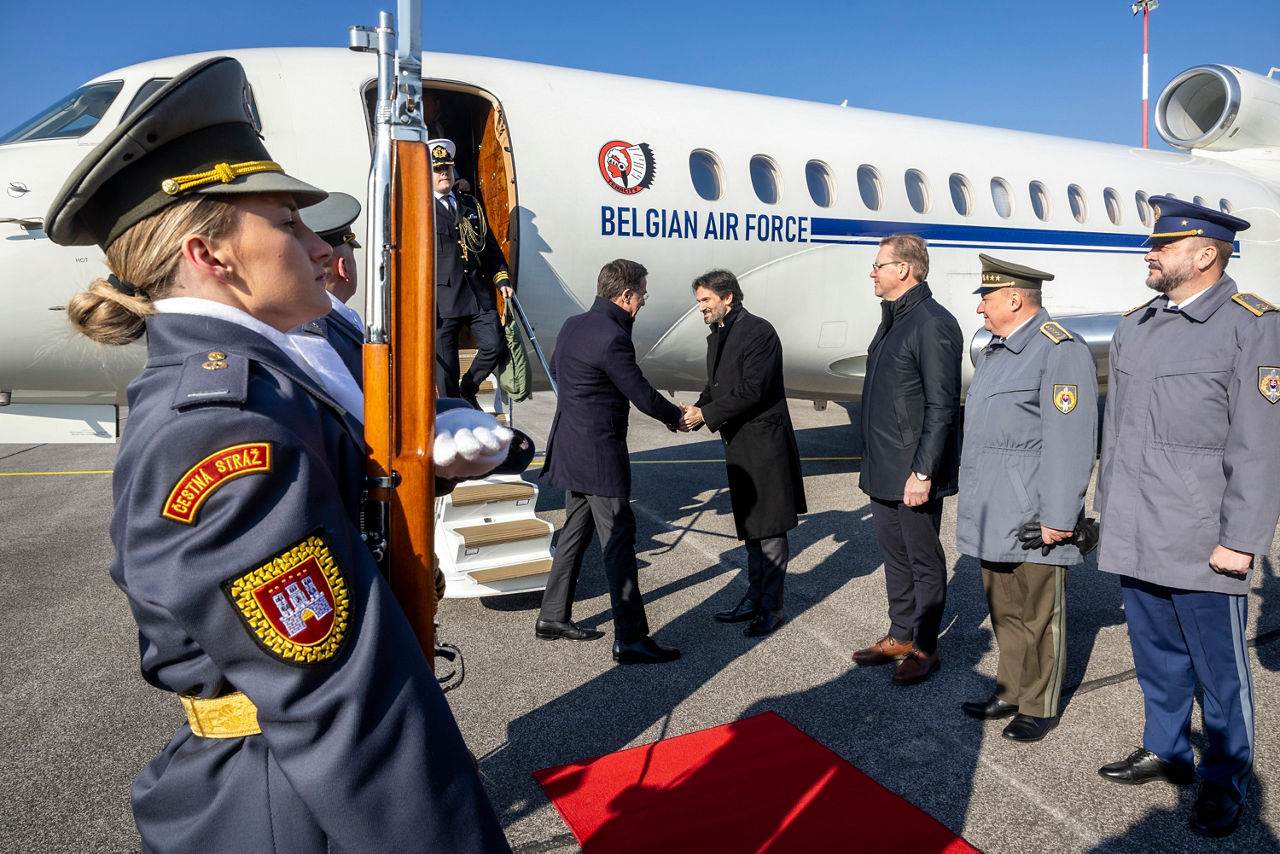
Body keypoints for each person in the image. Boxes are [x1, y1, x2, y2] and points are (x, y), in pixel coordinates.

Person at [44, 57, 511, 852]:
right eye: (287, 224)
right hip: (291, 799)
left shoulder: (293, 352)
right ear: (211, 256)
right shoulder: (216, 429)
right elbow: (345, 700)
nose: (318, 245)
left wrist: (449, 423)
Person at [1094, 197, 1280, 838]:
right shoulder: (1135, 325)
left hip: (1204, 538)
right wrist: (1107, 508)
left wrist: (1242, 539)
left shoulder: (1249, 325)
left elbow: (1259, 444)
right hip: (1136, 526)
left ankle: (1225, 779)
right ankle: (1167, 749)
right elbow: (1115, 432)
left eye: (1164, 246)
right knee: (1156, 654)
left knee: (1219, 670)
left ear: (1206, 255)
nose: (1151, 253)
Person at [955, 255, 1098, 743]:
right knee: (1005, 609)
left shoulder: (1060, 350)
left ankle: (1039, 704)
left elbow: (1072, 440)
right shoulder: (996, 352)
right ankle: (1011, 688)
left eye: (987, 300)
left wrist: (1060, 514)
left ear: (1015, 299)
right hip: (994, 508)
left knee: (1041, 614)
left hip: (1036, 513)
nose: (981, 310)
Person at [536, 259, 686, 664]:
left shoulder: (573, 325)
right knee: (619, 541)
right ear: (625, 295)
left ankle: (552, 616)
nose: (642, 303)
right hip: (599, 456)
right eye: (642, 295)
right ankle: (632, 639)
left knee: (574, 533)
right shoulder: (612, 337)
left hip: (569, 447)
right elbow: (640, 393)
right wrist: (678, 417)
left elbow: (556, 370)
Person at [852, 233, 962, 686]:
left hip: (913, 471)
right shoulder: (894, 318)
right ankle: (900, 634)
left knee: (923, 559)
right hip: (882, 466)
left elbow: (942, 406)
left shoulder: (932, 323)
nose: (872, 272)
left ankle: (924, 646)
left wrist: (923, 471)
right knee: (894, 556)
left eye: (879, 265)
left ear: (904, 270)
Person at [680, 269, 807, 638]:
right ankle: (753, 599)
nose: (700, 308)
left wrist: (707, 414)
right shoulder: (719, 335)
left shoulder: (759, 332)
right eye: (699, 301)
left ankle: (772, 607)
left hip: (765, 446)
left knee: (769, 529)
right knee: (751, 528)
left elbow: (754, 389)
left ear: (728, 298)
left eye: (705, 300)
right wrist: (693, 413)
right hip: (740, 445)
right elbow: (716, 386)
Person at [431, 139, 512, 408]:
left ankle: (469, 387)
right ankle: (456, 418)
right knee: (446, 373)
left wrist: (502, 278)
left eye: (447, 168)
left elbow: (488, 247)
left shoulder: (469, 204)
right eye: (437, 169)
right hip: (443, 300)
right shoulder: (420, 211)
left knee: (495, 345)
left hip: (476, 292)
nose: (444, 173)